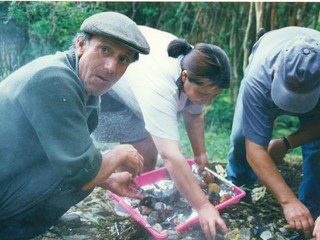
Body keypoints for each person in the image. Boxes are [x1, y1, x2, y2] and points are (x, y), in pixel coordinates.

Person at [0, 11, 150, 239]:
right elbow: (82, 170)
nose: (111, 67)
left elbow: (70, 151)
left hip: (10, 172)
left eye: (123, 59)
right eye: (105, 50)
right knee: (83, 173)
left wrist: (108, 179)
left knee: (88, 168)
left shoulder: (85, 86)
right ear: (81, 45)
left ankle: (36, 216)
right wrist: (120, 153)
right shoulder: (54, 78)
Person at [92, 26, 231, 239]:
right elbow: (170, 156)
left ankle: (130, 193)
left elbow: (193, 114)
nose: (207, 101)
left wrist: (200, 153)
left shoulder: (198, 65)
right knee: (142, 154)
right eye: (204, 94)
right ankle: (121, 202)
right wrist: (203, 207)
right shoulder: (159, 86)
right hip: (111, 86)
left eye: (213, 96)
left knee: (147, 153)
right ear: (184, 77)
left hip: (140, 80)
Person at [226, 26, 320, 238]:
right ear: (276, 71)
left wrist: (287, 142)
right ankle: (239, 191)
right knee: (242, 136)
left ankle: (311, 212)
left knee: (317, 148)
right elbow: (254, 149)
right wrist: (287, 200)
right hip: (265, 74)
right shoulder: (259, 76)